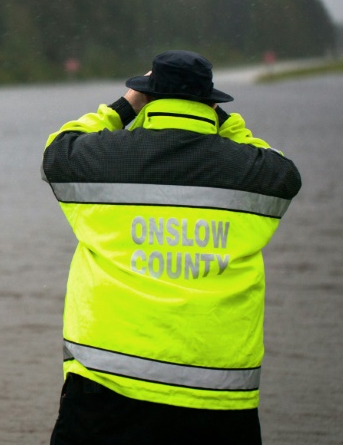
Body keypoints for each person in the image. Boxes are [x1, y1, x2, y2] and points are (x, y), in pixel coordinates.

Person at [41, 50, 302, 444]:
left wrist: (123, 107)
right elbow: (284, 173)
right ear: (211, 102)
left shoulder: (104, 159)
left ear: (147, 95)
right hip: (218, 402)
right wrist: (226, 124)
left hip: (106, 392)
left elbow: (58, 150)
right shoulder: (252, 173)